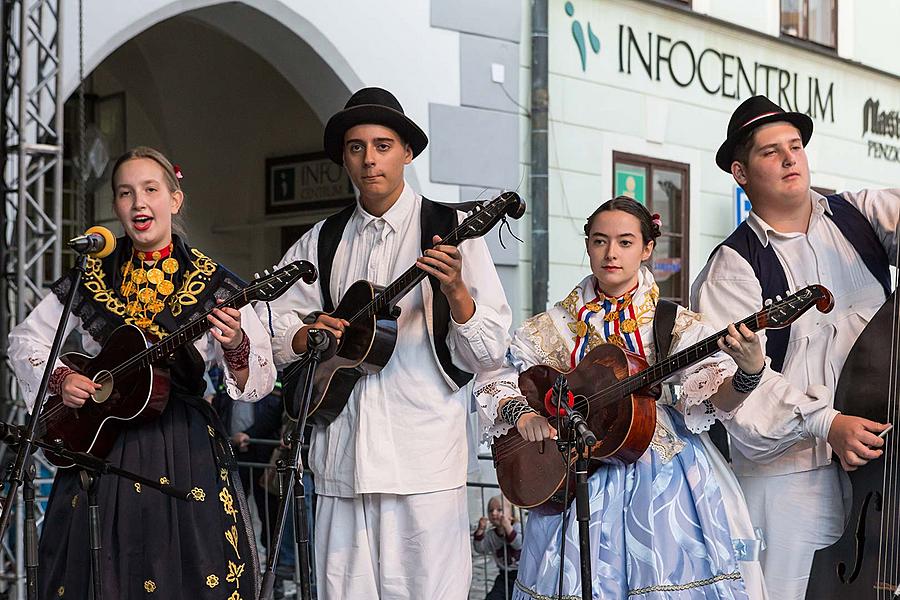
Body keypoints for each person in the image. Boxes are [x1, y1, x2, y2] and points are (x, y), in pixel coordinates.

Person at [259, 87, 512, 599]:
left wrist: (457, 292)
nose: (368, 158)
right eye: (356, 147)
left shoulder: (454, 230)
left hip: (424, 462)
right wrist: (309, 334)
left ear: (407, 152)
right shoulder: (321, 240)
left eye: (382, 145)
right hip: (339, 459)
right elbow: (272, 320)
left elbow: (488, 352)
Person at [8, 146, 277, 599]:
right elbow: (25, 340)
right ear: (114, 206)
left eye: (151, 190)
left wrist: (236, 346)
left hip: (182, 444)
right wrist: (62, 379)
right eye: (125, 193)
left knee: (182, 565)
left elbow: (258, 382)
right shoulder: (93, 274)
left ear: (174, 199)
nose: (138, 203)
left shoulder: (215, 281)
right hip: (102, 442)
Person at [475, 196, 769, 599]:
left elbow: (716, 396)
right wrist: (524, 414)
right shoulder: (555, 324)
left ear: (647, 249)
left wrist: (750, 372)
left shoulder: (673, 323)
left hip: (662, 477)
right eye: (599, 241)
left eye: (626, 242)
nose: (611, 253)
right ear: (588, 246)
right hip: (572, 474)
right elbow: (498, 375)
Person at [690, 95, 897, 600]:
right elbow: (738, 393)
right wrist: (829, 422)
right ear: (741, 172)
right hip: (790, 476)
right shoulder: (732, 267)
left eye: (796, 146)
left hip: (882, 460)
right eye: (771, 152)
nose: (790, 159)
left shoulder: (859, 216)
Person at [473, 495, 522, 600]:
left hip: (521, 575)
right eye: (490, 510)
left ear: (512, 514)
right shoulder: (491, 534)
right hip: (504, 575)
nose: (494, 513)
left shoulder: (518, 527)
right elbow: (480, 549)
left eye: (499, 509)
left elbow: (518, 544)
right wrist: (480, 530)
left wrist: (508, 527)